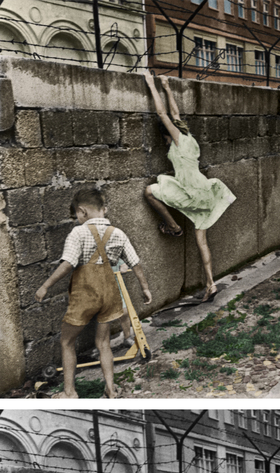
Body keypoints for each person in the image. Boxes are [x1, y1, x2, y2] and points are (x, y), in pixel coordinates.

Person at [34, 188, 152, 399]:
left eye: (77, 215)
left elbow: (68, 263)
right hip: (110, 293)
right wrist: (145, 287)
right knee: (104, 343)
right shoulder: (118, 233)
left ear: (82, 211)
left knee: (67, 342)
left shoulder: (78, 233)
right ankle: (110, 389)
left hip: (85, 294)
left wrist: (45, 286)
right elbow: (135, 263)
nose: (77, 218)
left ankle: (70, 392)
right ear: (102, 209)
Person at [144, 71, 236, 304]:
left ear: (166, 134)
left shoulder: (176, 139)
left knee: (150, 191)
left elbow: (162, 113)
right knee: (201, 241)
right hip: (204, 192)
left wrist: (150, 85)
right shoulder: (189, 138)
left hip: (190, 193)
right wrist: (166, 85)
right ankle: (210, 284)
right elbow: (175, 113)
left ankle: (173, 226)